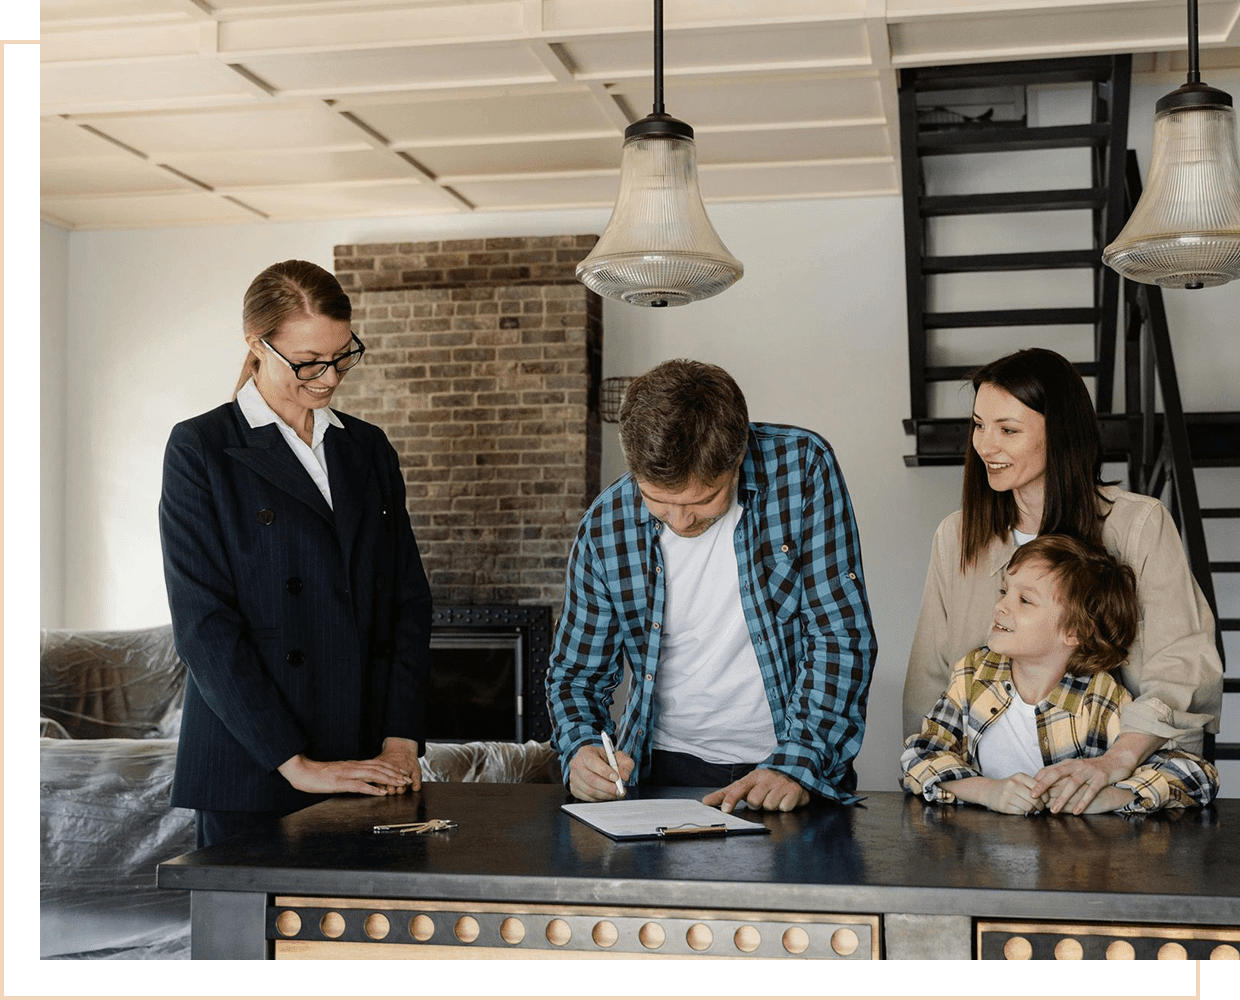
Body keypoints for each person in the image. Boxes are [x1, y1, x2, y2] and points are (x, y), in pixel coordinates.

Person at [159, 259, 433, 848]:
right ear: (256, 345)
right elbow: (205, 627)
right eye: (308, 362)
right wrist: (296, 764)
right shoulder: (202, 448)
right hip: (252, 768)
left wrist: (401, 739)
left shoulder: (369, 448)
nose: (329, 378)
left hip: (365, 765)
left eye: (342, 355)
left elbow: (407, 604)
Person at [547, 359, 877, 812]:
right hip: (663, 769)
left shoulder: (802, 469)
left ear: (737, 456)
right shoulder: (606, 524)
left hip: (790, 762)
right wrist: (581, 749)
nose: (682, 521)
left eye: (702, 501)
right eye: (659, 503)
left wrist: (798, 763)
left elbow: (839, 635)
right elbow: (576, 676)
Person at [904, 347, 1222, 814]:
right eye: (978, 425)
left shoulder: (1138, 524)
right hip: (983, 813)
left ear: (1062, 434)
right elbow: (929, 681)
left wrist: (1114, 765)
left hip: (1112, 803)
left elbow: (1181, 670)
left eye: (1008, 430)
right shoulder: (956, 536)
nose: (985, 446)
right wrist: (941, 786)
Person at [901, 535, 1219, 814]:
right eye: (1003, 591)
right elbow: (920, 755)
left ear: (1073, 632)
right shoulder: (973, 675)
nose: (1000, 606)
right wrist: (988, 792)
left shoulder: (1101, 699)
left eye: (1025, 600)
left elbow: (1195, 776)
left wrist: (1108, 797)